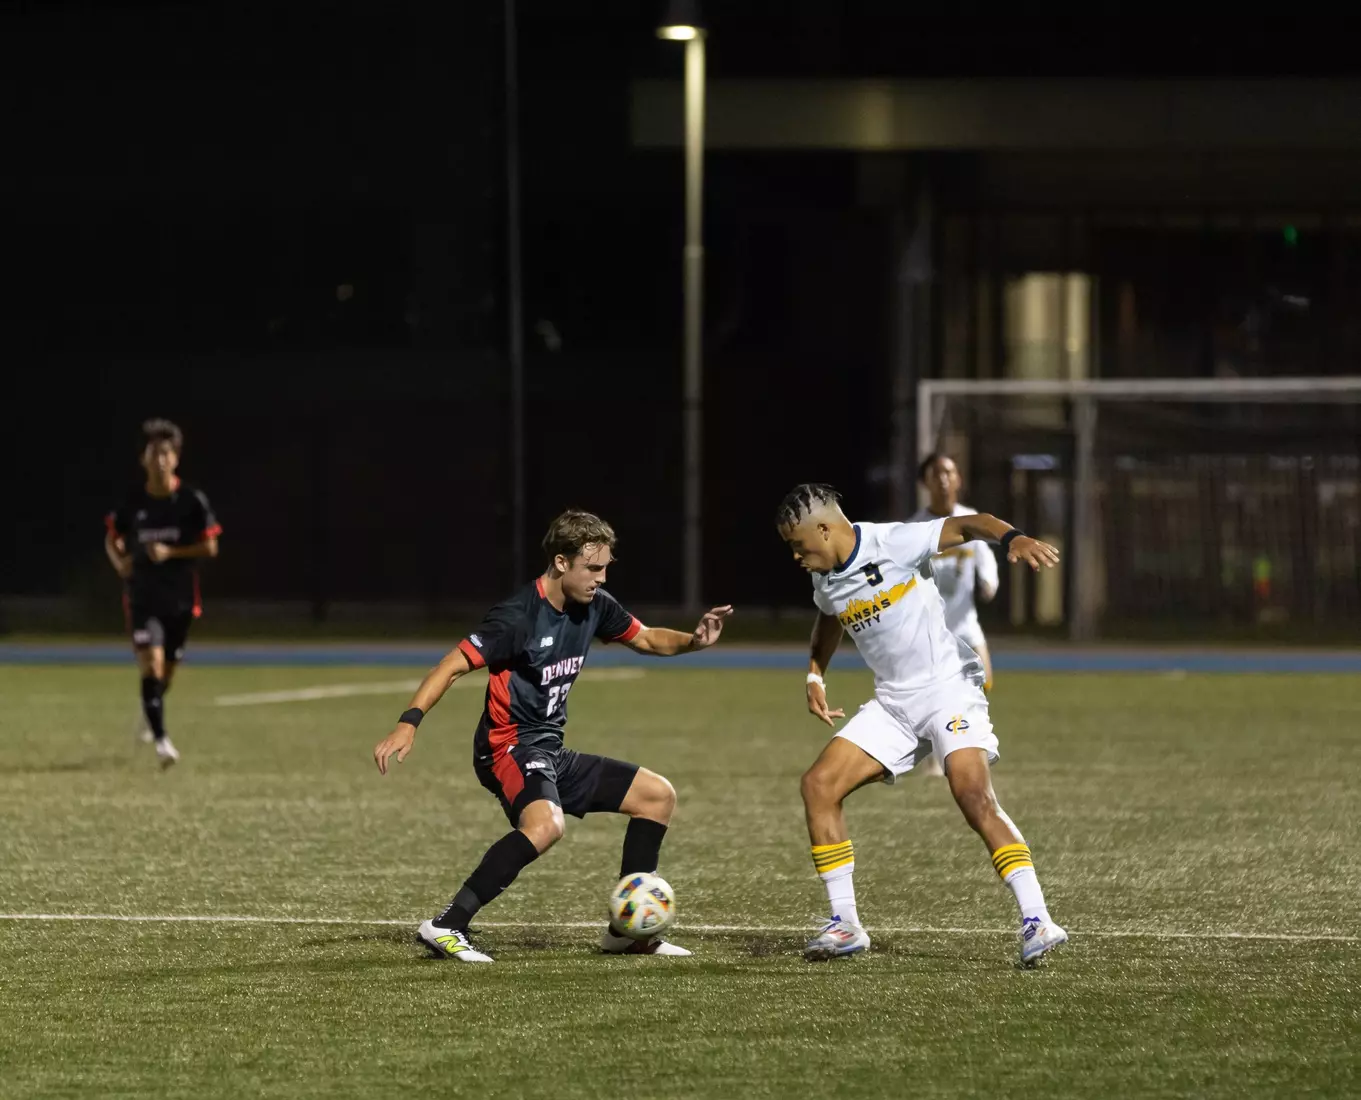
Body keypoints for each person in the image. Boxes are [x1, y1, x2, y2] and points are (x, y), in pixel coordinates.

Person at [373, 509, 732, 963]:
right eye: (593, 568)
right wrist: (409, 722)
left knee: (657, 797)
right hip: (506, 747)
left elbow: (645, 638)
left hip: (549, 750)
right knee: (545, 826)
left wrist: (694, 640)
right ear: (562, 562)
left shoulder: (594, 606)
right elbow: (451, 665)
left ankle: (627, 933)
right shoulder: (516, 617)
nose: (601, 578)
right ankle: (446, 925)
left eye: (605, 568)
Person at [775, 483, 1066, 966]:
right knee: (818, 785)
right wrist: (814, 673)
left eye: (798, 544)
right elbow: (829, 617)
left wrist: (1013, 537)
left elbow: (973, 524)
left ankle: (1037, 918)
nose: (796, 555)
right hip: (894, 704)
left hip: (949, 688)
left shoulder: (893, 542)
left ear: (825, 529)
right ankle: (845, 924)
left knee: (971, 792)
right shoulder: (824, 576)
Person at [104, 419, 222, 768]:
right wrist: (120, 562)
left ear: (176, 459)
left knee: (165, 674)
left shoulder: (190, 501)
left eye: (166, 454)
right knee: (151, 666)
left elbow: (210, 546)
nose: (159, 461)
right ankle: (162, 742)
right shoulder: (133, 502)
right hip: (142, 597)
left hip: (181, 599)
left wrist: (171, 553)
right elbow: (113, 537)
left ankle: (149, 710)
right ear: (143, 459)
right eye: (153, 454)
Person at [909, 453, 1000, 777]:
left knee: (984, 681)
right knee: (934, 695)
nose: (944, 479)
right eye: (936, 474)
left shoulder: (970, 518)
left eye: (949, 472)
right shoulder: (915, 527)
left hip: (966, 624)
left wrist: (989, 580)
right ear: (926, 483)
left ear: (959, 479)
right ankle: (937, 751)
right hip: (933, 631)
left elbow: (985, 555)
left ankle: (959, 744)